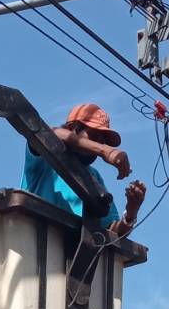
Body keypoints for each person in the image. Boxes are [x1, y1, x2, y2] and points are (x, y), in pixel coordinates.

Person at [21, 102, 146, 238]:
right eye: (93, 136)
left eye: (102, 141)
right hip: (33, 247)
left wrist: (131, 212)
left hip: (73, 257)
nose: (98, 143)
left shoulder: (94, 177)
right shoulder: (44, 158)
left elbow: (111, 232)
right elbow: (49, 132)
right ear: (72, 128)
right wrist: (105, 151)